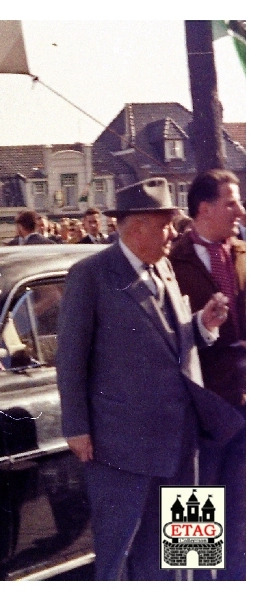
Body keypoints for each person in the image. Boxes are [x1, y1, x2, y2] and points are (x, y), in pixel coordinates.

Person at [56, 177, 244, 580]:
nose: (173, 234)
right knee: (123, 552)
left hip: (182, 439)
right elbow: (70, 359)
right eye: (166, 225)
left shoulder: (166, 269)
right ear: (137, 226)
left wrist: (202, 326)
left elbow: (169, 341)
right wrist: (77, 428)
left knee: (188, 551)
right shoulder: (91, 275)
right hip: (123, 447)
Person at [170, 169, 246, 580]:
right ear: (204, 207)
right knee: (194, 535)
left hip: (246, 406)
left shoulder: (246, 254)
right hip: (199, 414)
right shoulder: (170, 263)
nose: (241, 211)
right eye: (231, 202)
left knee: (242, 526)